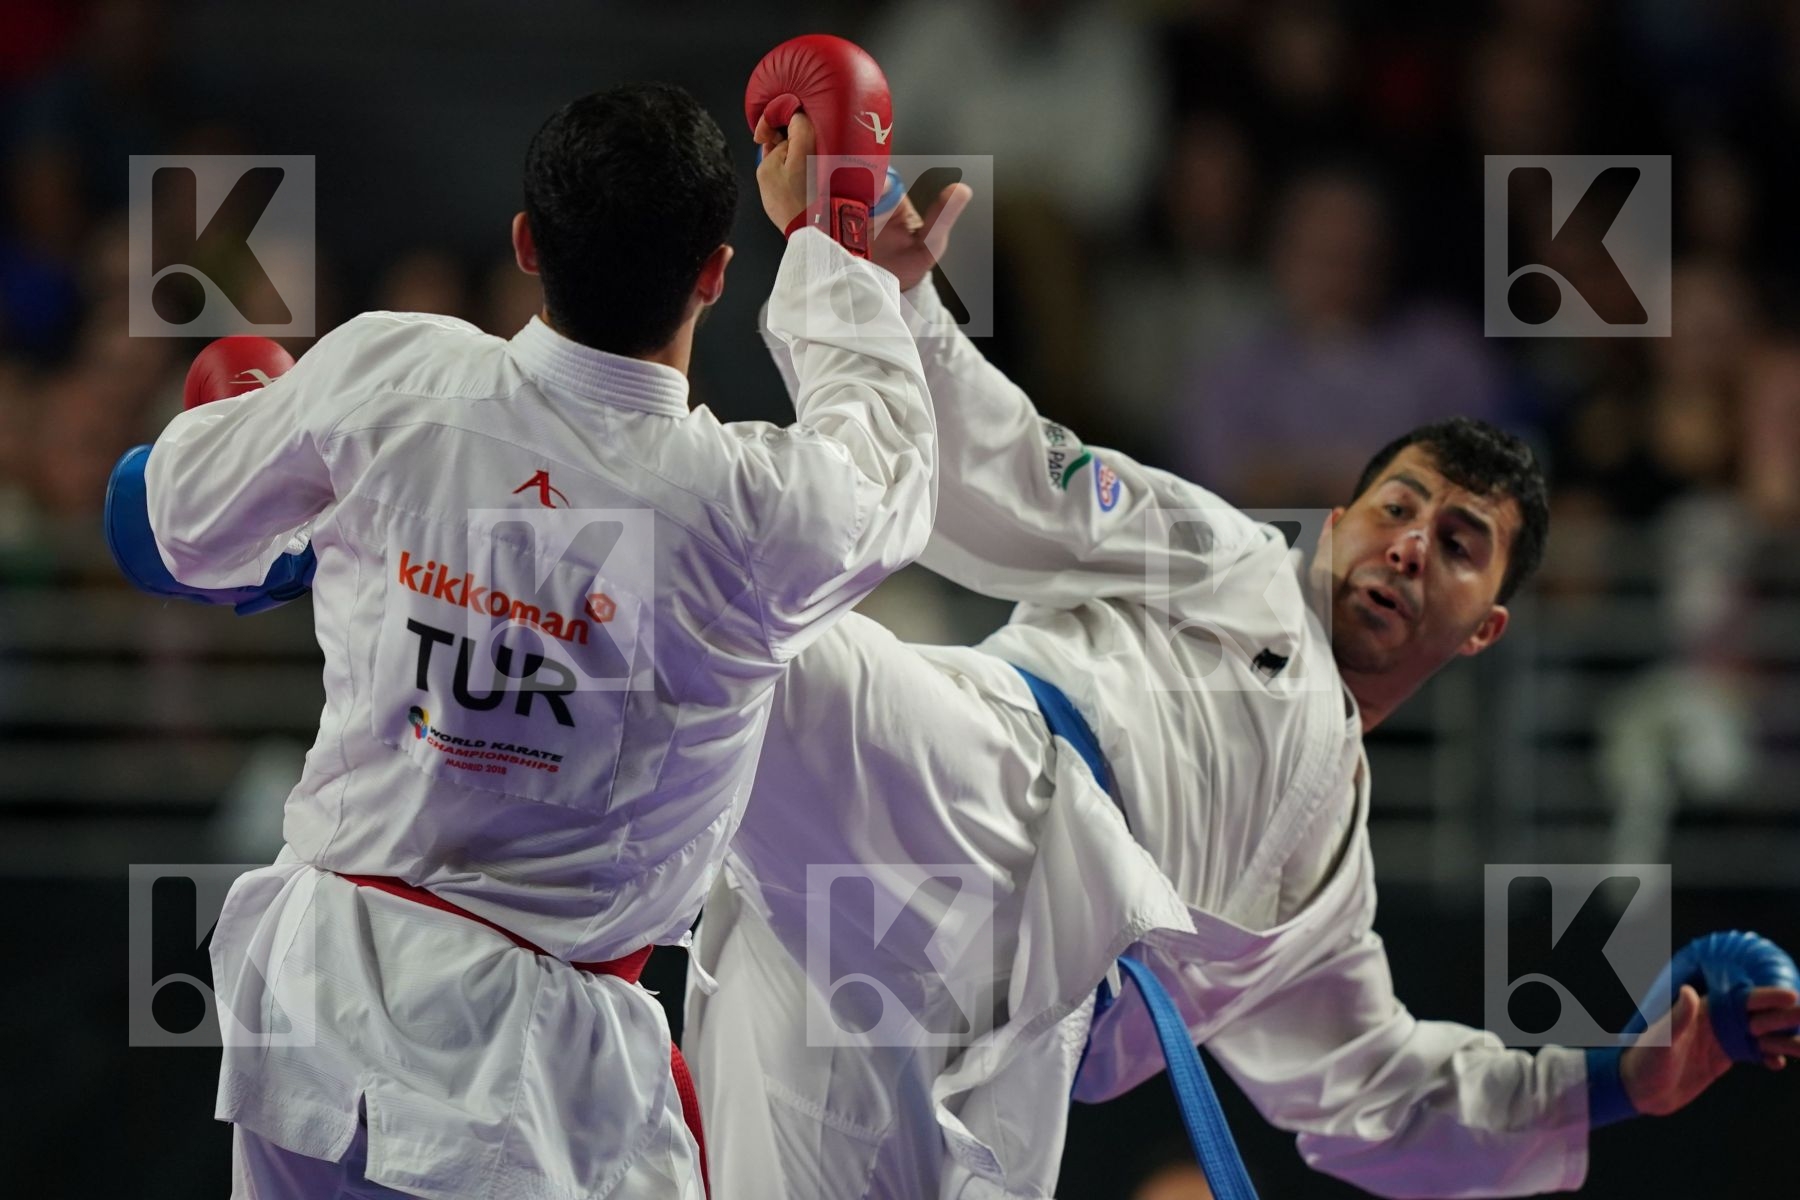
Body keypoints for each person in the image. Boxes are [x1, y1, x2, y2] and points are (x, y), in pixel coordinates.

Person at [682, 183, 1800, 1198]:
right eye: (1397, 508)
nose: (1411, 546)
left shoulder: (1327, 894)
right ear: (1343, 519)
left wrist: (1621, 1085)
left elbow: (1384, 1093)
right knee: (732, 609)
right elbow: (1014, 469)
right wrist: (885, 287)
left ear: (1486, 629)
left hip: (972, 1033)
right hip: (975, 785)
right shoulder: (1226, 556)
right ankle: (573, 478)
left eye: (1458, 543)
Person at [106, 80, 934, 1198]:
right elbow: (886, 466)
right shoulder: (752, 512)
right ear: (715, 274)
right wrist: (831, 235)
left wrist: (285, 538)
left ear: (526, 245)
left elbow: (146, 525)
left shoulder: (386, 376)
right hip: (532, 1091)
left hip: (315, 1012)